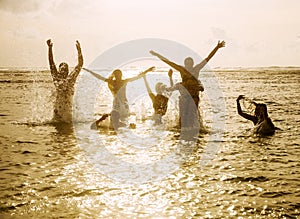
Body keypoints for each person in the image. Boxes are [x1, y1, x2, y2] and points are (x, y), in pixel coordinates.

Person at [83, 66, 155, 129]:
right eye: (117, 75)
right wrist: (89, 71)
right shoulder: (111, 82)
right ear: (115, 76)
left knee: (124, 117)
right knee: (115, 117)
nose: (119, 77)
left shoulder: (124, 81)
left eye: (120, 75)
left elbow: (137, 77)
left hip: (124, 103)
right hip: (117, 103)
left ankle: (125, 126)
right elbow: (99, 77)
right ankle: (112, 124)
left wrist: (147, 70)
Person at [47, 39, 83, 123]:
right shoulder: (56, 78)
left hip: (68, 109)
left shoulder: (71, 79)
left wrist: (79, 50)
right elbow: (51, 62)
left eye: (65, 69)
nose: (63, 71)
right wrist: (49, 48)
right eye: (61, 69)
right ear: (59, 70)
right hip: (58, 109)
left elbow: (80, 64)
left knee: (68, 128)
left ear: (67, 71)